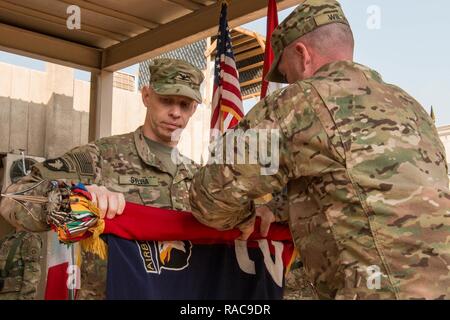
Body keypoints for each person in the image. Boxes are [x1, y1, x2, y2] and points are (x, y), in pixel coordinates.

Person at [189, 0, 450, 300]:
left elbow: (209, 197)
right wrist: (277, 208)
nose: (288, 84)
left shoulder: (302, 102)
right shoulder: (411, 107)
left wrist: (247, 215)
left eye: (286, 76)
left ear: (302, 55)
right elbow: (355, 187)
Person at [0, 58, 289, 299]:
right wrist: (75, 199)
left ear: (194, 109)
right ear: (147, 96)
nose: (175, 112)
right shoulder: (100, 157)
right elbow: (15, 198)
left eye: (185, 105)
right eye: (166, 100)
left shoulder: (202, 179)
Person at [0, 222, 42, 300]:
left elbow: (32, 274)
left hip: (15, 295)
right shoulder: (6, 239)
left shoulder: (31, 238)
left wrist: (26, 297)